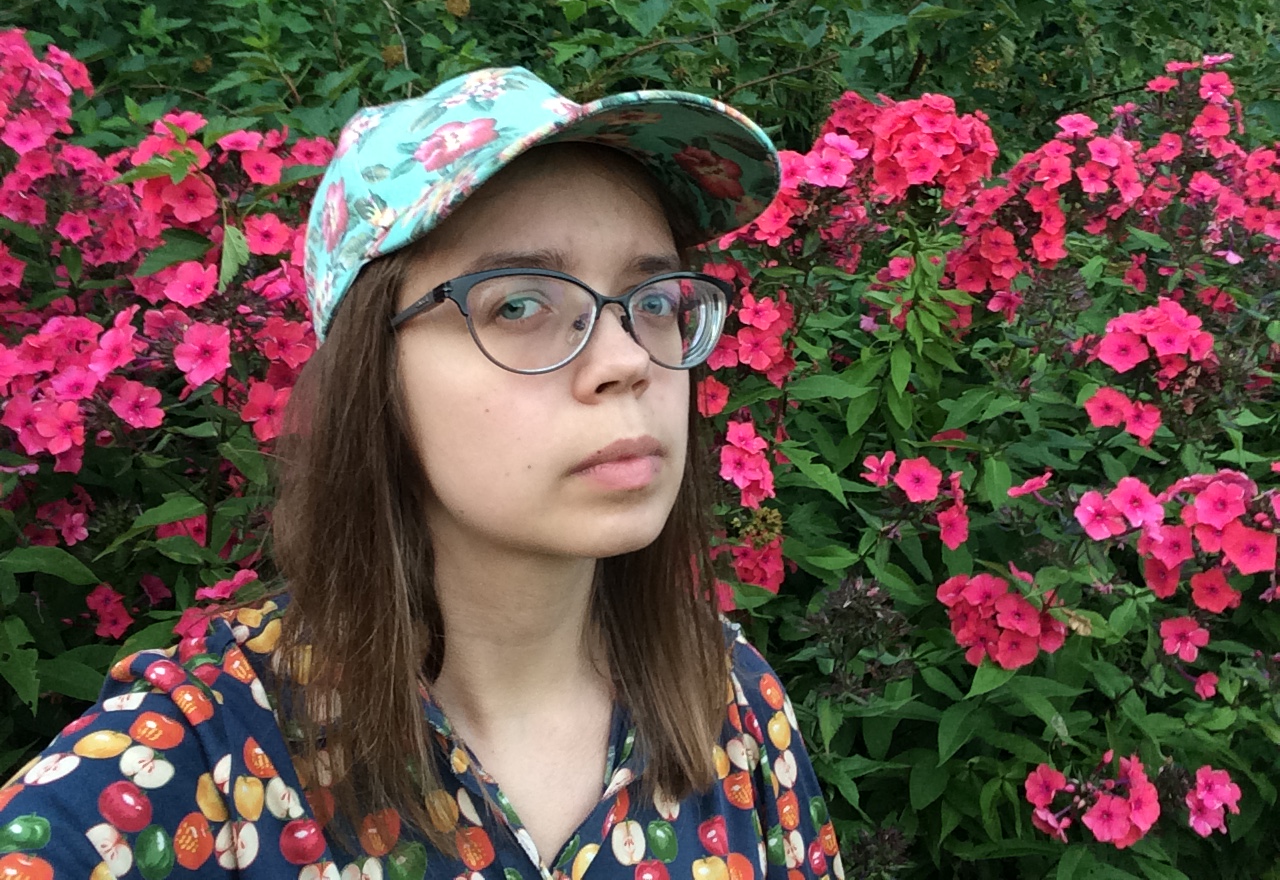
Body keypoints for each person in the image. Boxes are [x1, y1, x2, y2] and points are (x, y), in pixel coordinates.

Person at [0, 68, 844, 880]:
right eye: (520, 304)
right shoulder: (184, 768)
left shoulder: (726, 700)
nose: (627, 361)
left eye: (653, 302)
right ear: (374, 375)